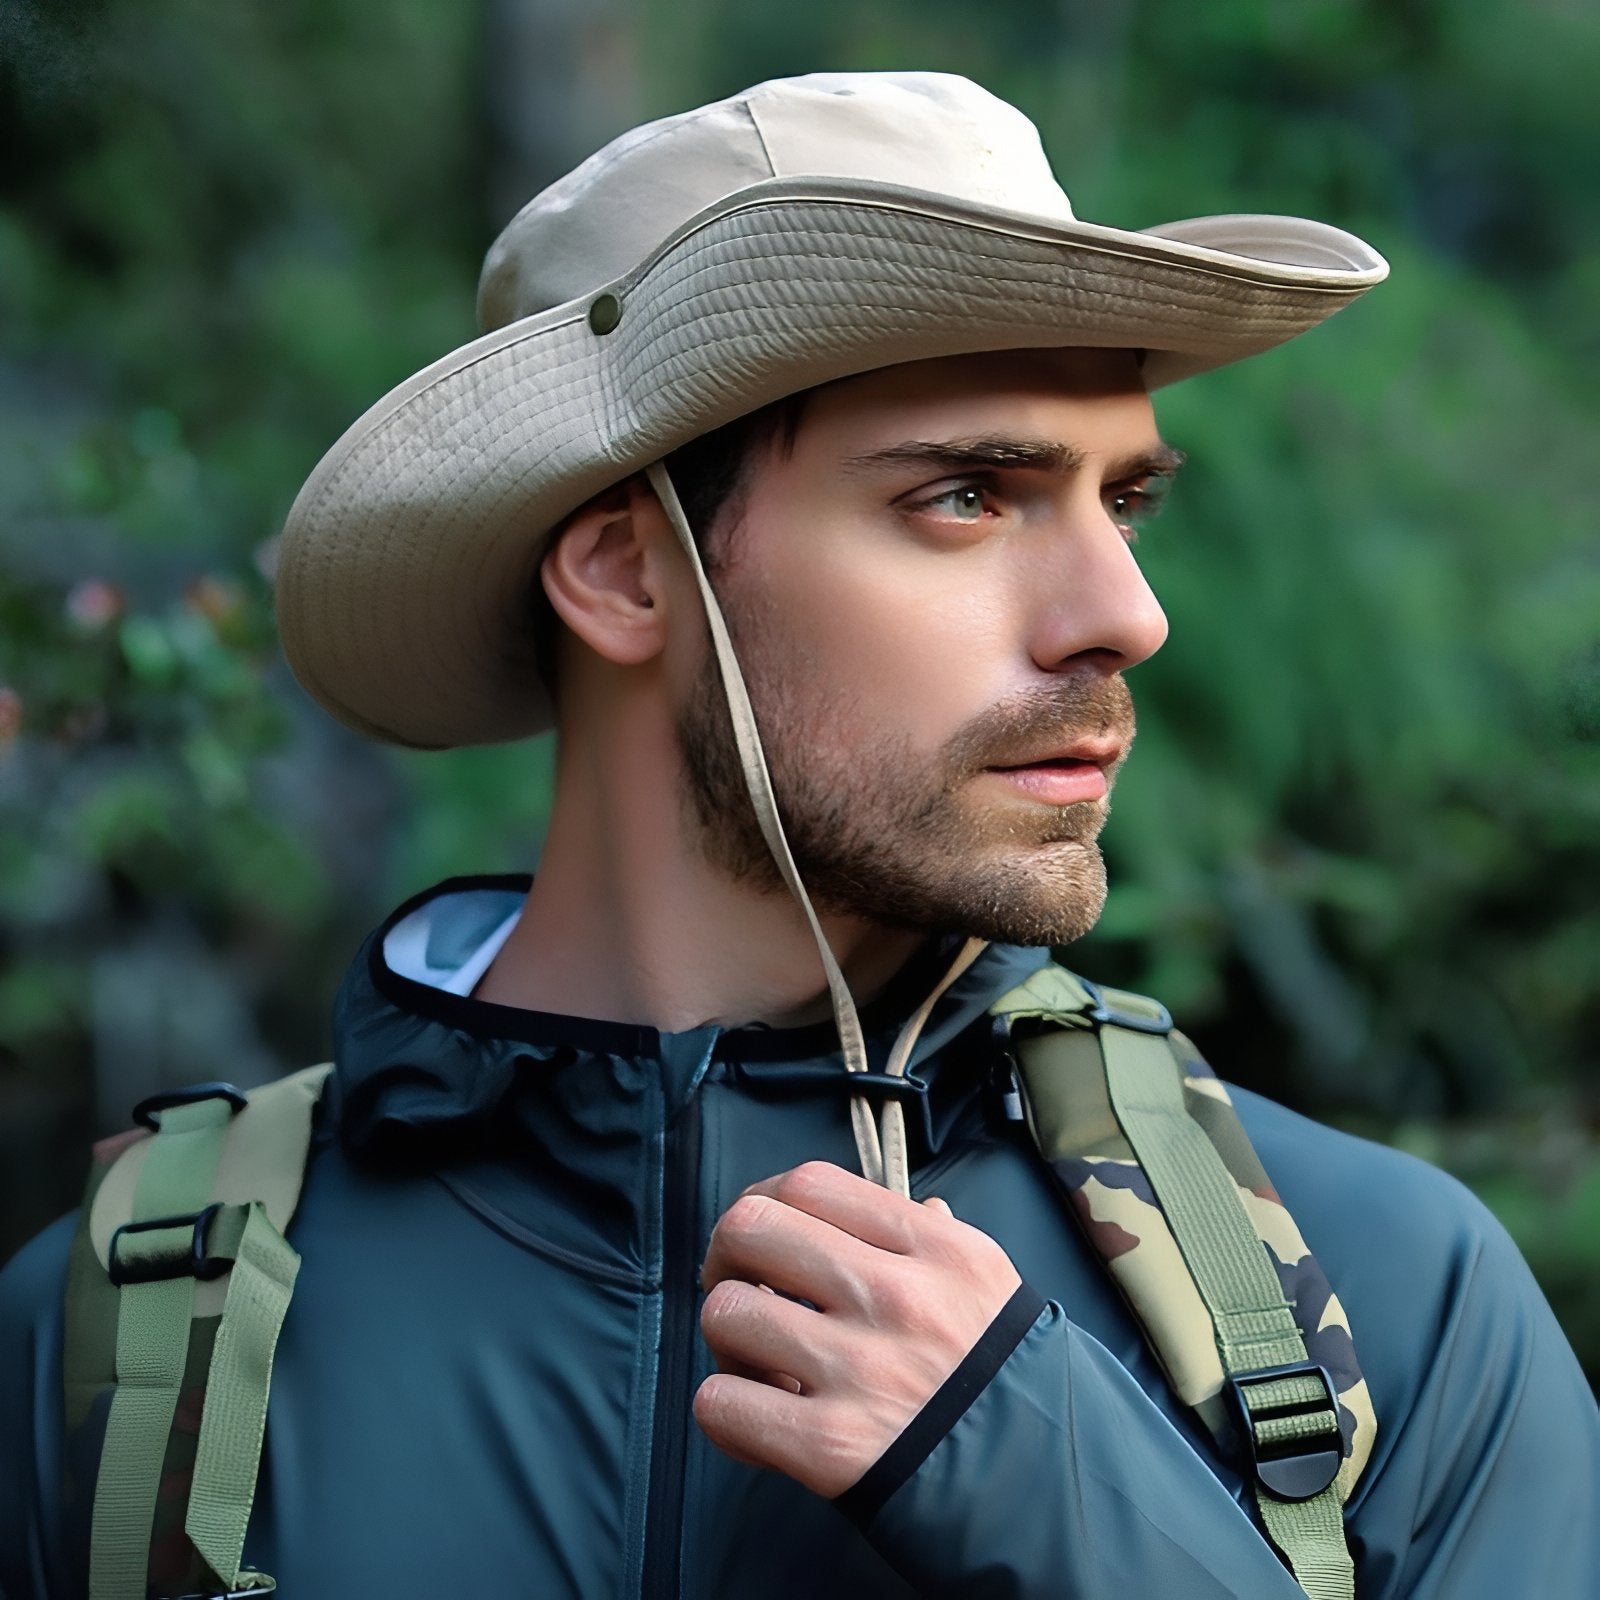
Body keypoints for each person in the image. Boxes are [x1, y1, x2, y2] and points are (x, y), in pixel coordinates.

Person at [2, 70, 1596, 1600]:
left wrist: (1064, 1493)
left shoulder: (1377, 1297)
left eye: (1125, 502)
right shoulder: (139, 1340)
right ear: (627, 573)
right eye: (967, 495)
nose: (1128, 615)